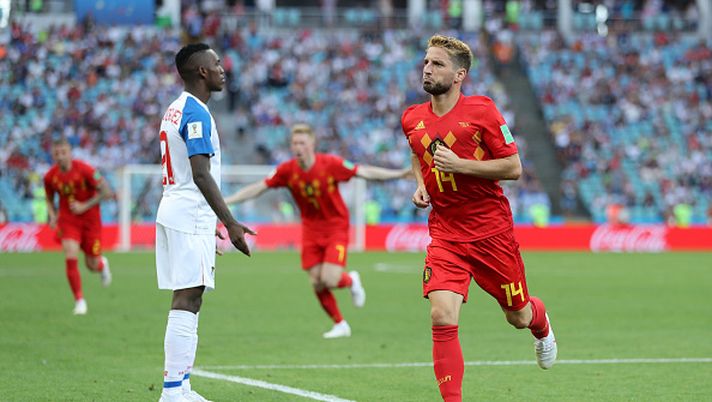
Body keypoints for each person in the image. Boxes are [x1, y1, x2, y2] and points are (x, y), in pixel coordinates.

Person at [401, 35, 557, 402]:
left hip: (490, 232)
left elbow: (513, 167)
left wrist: (461, 165)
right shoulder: (412, 117)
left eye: (437, 64)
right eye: (426, 62)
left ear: (459, 75)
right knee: (441, 315)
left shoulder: (483, 111)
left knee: (518, 316)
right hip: (446, 233)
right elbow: (417, 152)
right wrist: (421, 184)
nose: (427, 69)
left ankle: (541, 323)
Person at [225, 123, 410, 339]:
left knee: (329, 279)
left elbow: (364, 172)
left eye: (302, 143)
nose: (298, 147)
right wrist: (226, 201)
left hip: (335, 226)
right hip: (311, 229)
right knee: (316, 281)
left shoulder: (330, 164)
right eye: (295, 143)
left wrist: (399, 174)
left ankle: (351, 281)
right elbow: (259, 187)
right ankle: (340, 324)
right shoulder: (287, 170)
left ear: (312, 144)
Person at [156, 43, 254, 402]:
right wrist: (231, 223)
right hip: (189, 213)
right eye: (216, 63)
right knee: (188, 297)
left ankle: (181, 387)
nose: (222, 69)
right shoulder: (195, 113)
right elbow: (200, 174)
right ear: (201, 71)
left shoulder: (176, 109)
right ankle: (172, 392)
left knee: (189, 296)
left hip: (178, 208)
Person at [43, 137, 113, 315]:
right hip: (68, 220)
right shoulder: (50, 176)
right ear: (53, 155)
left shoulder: (85, 170)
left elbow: (106, 192)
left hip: (91, 221)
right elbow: (49, 199)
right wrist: (52, 215)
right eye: (56, 153)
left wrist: (84, 205)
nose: (60, 156)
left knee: (92, 264)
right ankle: (79, 301)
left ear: (70, 153)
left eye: (63, 152)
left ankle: (101, 264)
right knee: (70, 254)